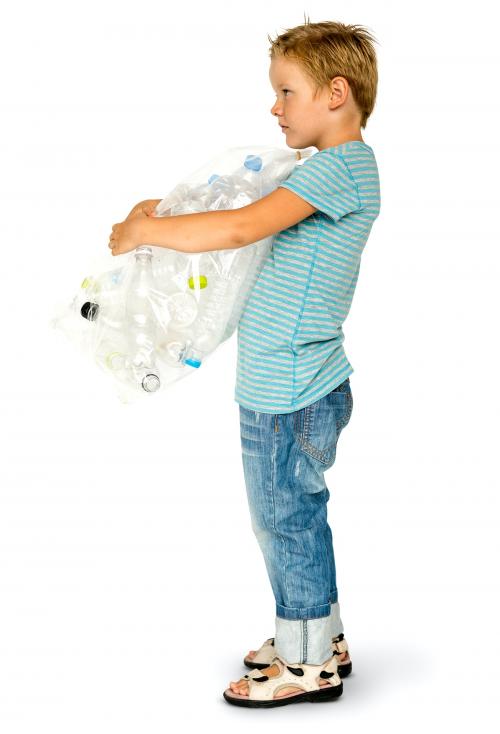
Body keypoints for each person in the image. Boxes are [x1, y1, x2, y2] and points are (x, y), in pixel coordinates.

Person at [108, 19, 381, 708]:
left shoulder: (343, 169)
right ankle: (321, 634)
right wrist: (164, 212)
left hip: (291, 392)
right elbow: (234, 202)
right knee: (294, 517)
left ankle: (305, 661)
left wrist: (145, 233)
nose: (275, 107)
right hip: (287, 385)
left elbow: (239, 228)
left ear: (336, 94)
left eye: (287, 92)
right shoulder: (326, 170)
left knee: (286, 521)